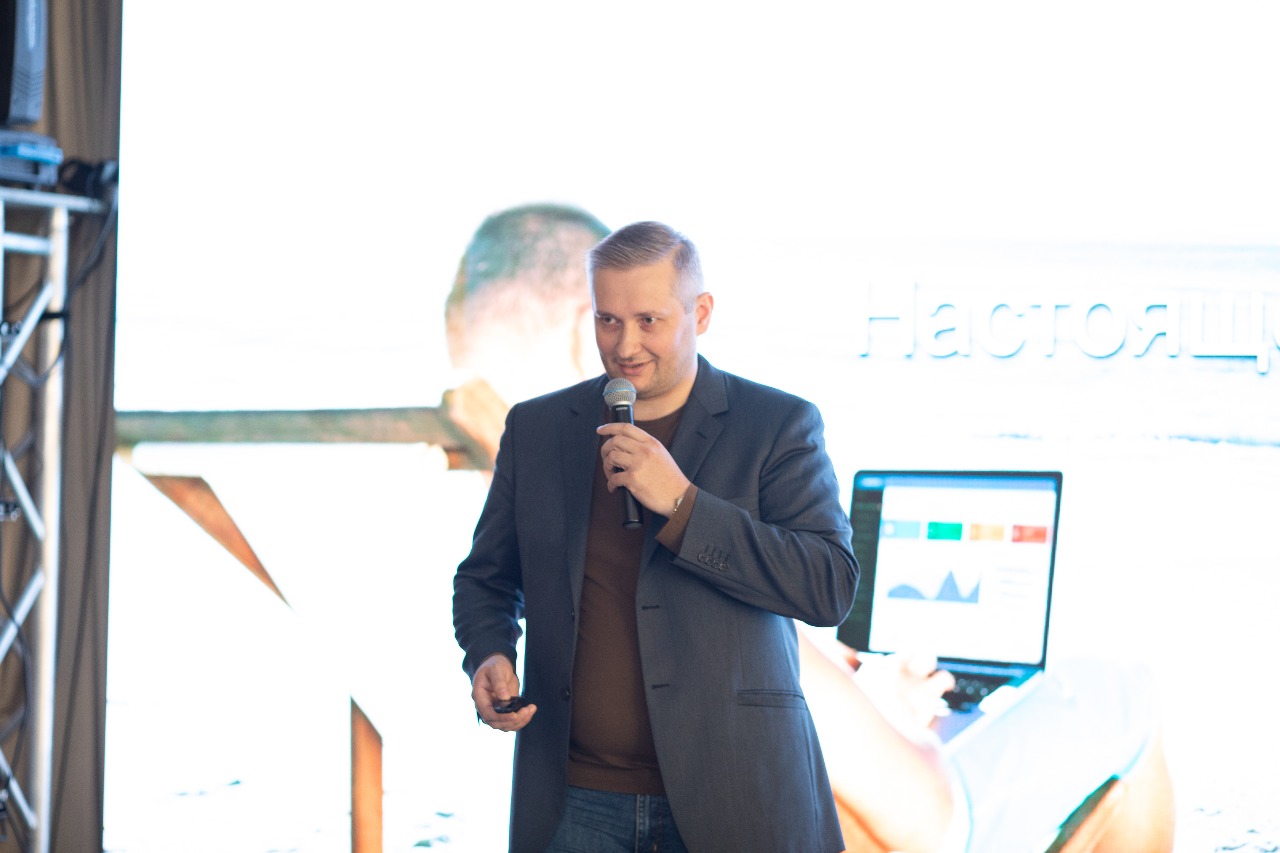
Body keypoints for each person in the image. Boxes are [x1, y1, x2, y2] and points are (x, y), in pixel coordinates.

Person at [452, 220, 860, 852]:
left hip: (737, 793)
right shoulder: (538, 428)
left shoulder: (776, 424)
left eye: (649, 320)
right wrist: (489, 652)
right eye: (608, 320)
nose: (625, 345)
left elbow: (828, 586)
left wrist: (682, 504)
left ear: (701, 312)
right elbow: (486, 579)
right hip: (574, 801)